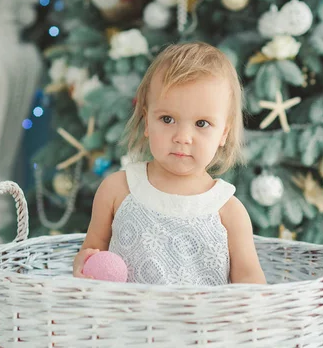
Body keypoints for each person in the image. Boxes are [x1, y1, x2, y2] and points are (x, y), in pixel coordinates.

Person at [73, 42, 266, 285]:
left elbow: (250, 281)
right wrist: (83, 264)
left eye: (202, 123)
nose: (182, 137)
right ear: (146, 122)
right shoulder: (118, 190)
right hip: (127, 321)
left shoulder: (228, 211)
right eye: (167, 119)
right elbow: (91, 253)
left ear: (223, 134)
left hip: (203, 323)